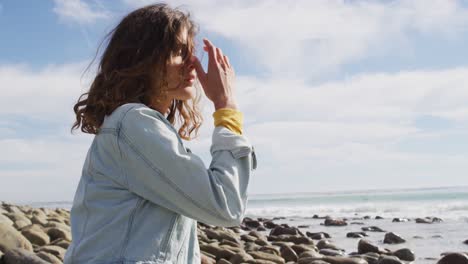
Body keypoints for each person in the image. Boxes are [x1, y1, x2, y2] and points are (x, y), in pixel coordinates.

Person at [64, 3, 256, 264]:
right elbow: (226, 206)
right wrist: (226, 107)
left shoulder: (134, 125)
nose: (192, 63)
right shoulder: (133, 122)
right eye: (178, 51)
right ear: (141, 59)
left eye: (191, 51)